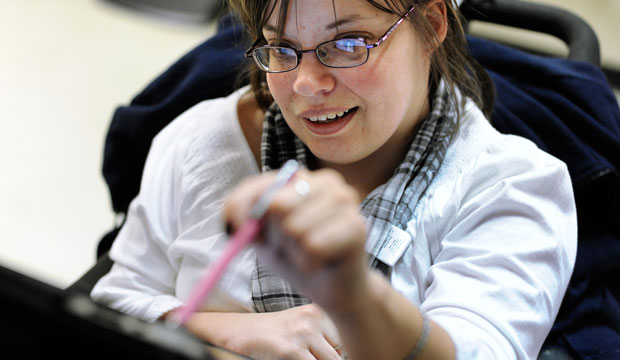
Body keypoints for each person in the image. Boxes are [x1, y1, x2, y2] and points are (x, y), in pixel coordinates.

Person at [91, 0, 577, 359]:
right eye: (282, 48)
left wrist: (353, 296)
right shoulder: (201, 143)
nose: (307, 85)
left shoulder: (512, 188)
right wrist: (224, 330)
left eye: (348, 45)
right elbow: (117, 296)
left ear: (430, 25)